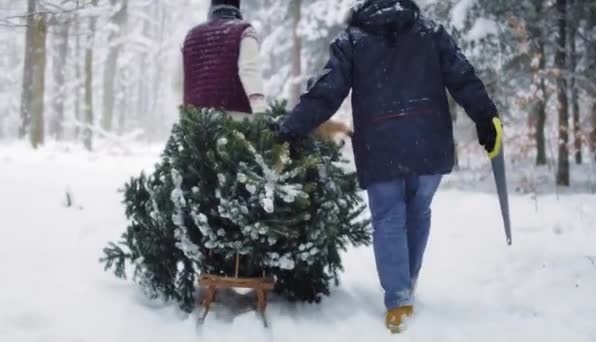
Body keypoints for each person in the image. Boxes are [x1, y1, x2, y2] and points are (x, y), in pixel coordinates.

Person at [279, 0, 502, 333]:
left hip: (380, 142)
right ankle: (406, 283)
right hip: (428, 138)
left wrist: (292, 126)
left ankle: (399, 300)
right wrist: (486, 116)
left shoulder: (352, 40)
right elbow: (463, 77)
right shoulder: (431, 33)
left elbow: (326, 91)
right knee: (419, 209)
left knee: (388, 216)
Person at [182, 0, 266, 120]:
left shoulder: (191, 36)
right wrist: (260, 110)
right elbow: (249, 70)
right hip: (236, 118)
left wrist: (184, 114)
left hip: (196, 121)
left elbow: (177, 81)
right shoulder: (244, 31)